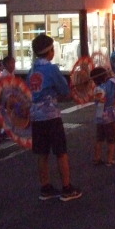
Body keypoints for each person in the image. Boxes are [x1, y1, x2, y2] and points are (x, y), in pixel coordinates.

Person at [27, 33, 81, 202]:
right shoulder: (51, 69)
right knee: (60, 152)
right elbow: (64, 91)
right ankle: (66, 187)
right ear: (49, 51)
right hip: (51, 115)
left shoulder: (32, 71)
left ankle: (46, 187)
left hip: (36, 116)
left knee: (42, 153)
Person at [90, 66, 115, 167]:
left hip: (99, 116)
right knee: (111, 138)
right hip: (108, 116)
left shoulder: (97, 89)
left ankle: (97, 158)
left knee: (99, 138)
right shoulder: (109, 85)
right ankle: (110, 160)